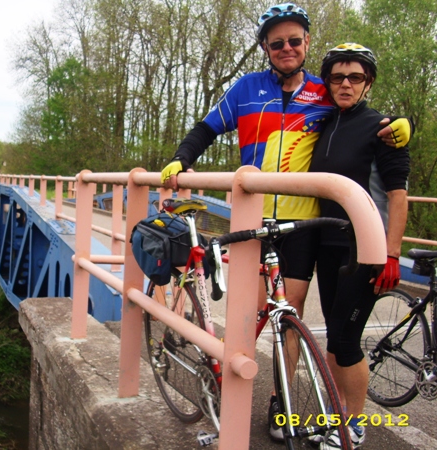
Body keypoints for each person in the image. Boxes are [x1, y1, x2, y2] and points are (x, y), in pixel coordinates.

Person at [159, 2, 413, 442]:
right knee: (247, 320)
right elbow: (205, 129)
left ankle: (282, 404)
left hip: (300, 228)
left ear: (307, 43)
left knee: (286, 316)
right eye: (277, 43)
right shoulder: (246, 88)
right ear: (265, 48)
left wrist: (399, 127)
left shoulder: (324, 92)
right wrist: (181, 160)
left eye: (295, 41)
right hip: (250, 218)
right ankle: (226, 387)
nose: (287, 48)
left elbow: (365, 122)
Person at [307, 43, 410, 449]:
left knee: (347, 340)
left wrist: (392, 253)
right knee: (334, 335)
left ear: (368, 83)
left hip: (364, 249)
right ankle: (336, 416)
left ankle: (354, 425)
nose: (345, 84)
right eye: (337, 77)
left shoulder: (382, 129)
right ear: (328, 82)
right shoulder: (326, 123)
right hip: (329, 244)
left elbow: (398, 196)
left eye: (355, 77)